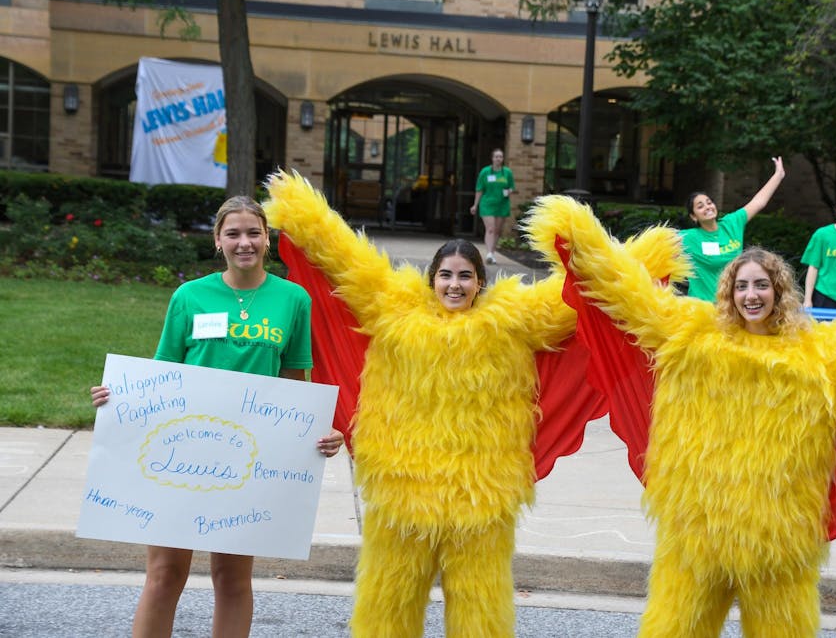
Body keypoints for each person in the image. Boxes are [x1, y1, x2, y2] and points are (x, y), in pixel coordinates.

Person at [529, 195, 836, 637]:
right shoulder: (690, 335)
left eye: (761, 285)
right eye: (741, 286)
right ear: (727, 292)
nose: (751, 296)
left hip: (780, 535)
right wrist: (582, 238)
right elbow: (631, 299)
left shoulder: (822, 353)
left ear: (779, 291)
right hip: (697, 527)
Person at [263, 170, 677, 637]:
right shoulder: (394, 310)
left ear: (481, 281)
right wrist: (302, 212)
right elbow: (344, 261)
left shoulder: (513, 321)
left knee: (478, 602)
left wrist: (628, 254)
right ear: (431, 279)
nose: (454, 285)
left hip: (481, 493)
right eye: (445, 275)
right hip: (403, 489)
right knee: (388, 598)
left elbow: (576, 300)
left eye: (465, 276)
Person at [90, 196, 344, 638]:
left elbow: (293, 380)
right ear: (217, 241)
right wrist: (119, 399)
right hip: (179, 452)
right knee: (165, 574)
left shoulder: (292, 299)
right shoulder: (189, 296)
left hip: (246, 460)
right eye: (233, 233)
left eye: (253, 233)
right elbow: (162, 373)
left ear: (268, 239)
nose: (244, 242)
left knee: (231, 578)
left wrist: (315, 432)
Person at [681, 156, 785, 300]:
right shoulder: (688, 238)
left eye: (709, 202)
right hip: (702, 309)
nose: (707, 207)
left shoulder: (732, 223)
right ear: (693, 216)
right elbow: (657, 247)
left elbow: (759, 202)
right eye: (700, 206)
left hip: (732, 306)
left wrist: (778, 175)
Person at [470, 147, 514, 264]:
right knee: (490, 228)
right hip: (487, 204)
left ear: (503, 159)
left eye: (500, 157)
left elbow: (511, 187)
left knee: (497, 230)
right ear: (492, 158)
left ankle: (492, 253)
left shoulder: (507, 173)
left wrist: (509, 191)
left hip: (502, 204)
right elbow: (479, 189)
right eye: (496, 157)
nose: (498, 159)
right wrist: (475, 205)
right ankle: (489, 253)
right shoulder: (485, 172)